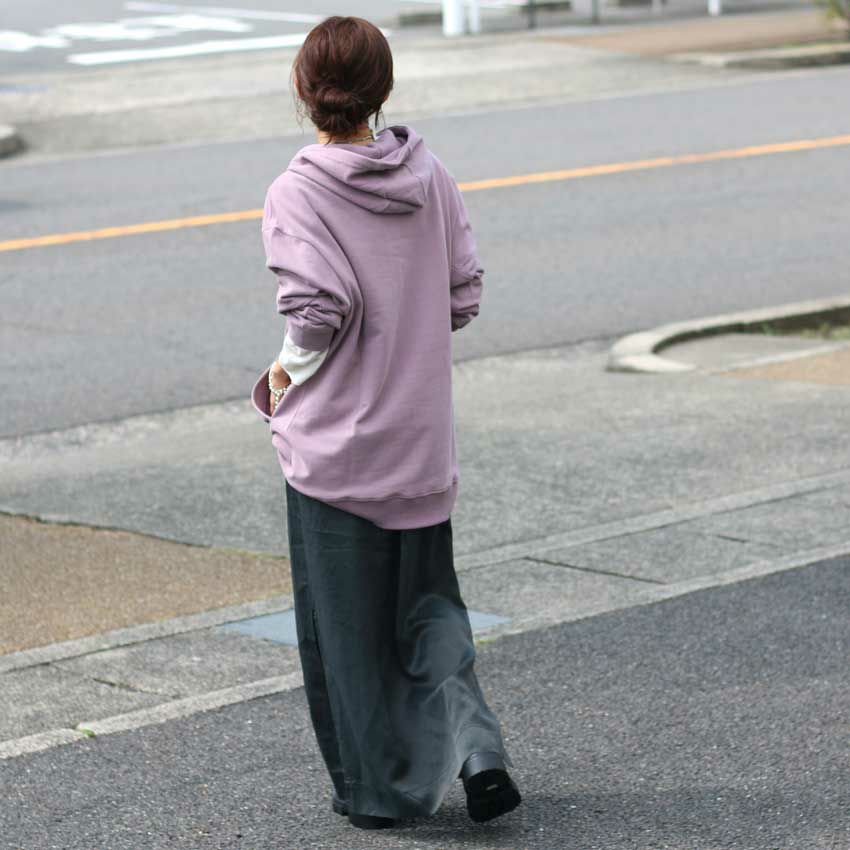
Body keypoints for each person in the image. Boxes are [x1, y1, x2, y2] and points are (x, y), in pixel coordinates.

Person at [250, 15, 521, 831]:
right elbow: (463, 294)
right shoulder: (429, 174)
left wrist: (281, 375)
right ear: (384, 88)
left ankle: (379, 795)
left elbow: (316, 312)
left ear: (304, 90)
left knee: (348, 631)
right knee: (430, 605)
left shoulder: (299, 190)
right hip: (420, 440)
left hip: (338, 449)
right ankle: (478, 752)